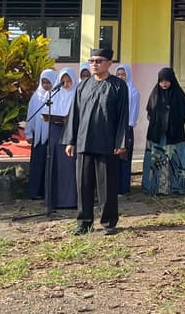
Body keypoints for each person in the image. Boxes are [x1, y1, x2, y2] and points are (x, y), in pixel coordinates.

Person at [63, 49, 129, 236]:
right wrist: (71, 141)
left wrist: (121, 141)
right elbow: (74, 114)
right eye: (92, 60)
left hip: (107, 144)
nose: (94, 64)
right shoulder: (83, 86)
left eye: (99, 61)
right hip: (84, 142)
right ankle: (84, 222)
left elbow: (123, 115)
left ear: (109, 63)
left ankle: (108, 223)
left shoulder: (118, 86)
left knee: (106, 185)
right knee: (83, 184)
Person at [142, 67, 185, 195]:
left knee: (175, 160)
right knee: (157, 160)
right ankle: (155, 187)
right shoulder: (155, 95)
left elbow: (184, 112)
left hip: (174, 135)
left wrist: (173, 122)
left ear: (172, 81)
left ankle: (177, 187)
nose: (164, 84)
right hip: (157, 135)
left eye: (167, 81)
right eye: (161, 81)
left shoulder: (179, 96)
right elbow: (150, 112)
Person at [45, 68, 78, 210]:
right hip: (55, 131)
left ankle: (71, 200)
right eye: (63, 80)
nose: (66, 83)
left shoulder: (77, 94)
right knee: (55, 164)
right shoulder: (54, 94)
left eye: (69, 80)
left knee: (69, 166)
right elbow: (45, 113)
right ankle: (54, 200)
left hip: (71, 132)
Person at [24, 68, 57, 200]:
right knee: (38, 164)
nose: (46, 85)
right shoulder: (36, 97)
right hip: (38, 137)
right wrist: (28, 133)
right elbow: (30, 116)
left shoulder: (57, 95)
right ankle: (35, 192)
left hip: (52, 136)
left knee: (50, 165)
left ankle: (48, 192)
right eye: (43, 82)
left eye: (48, 82)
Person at [114, 64, 141, 194]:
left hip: (126, 129)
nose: (120, 77)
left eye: (123, 74)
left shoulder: (133, 92)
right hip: (113, 129)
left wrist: (126, 128)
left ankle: (123, 188)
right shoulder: (112, 89)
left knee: (124, 159)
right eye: (118, 74)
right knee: (113, 159)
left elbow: (133, 114)